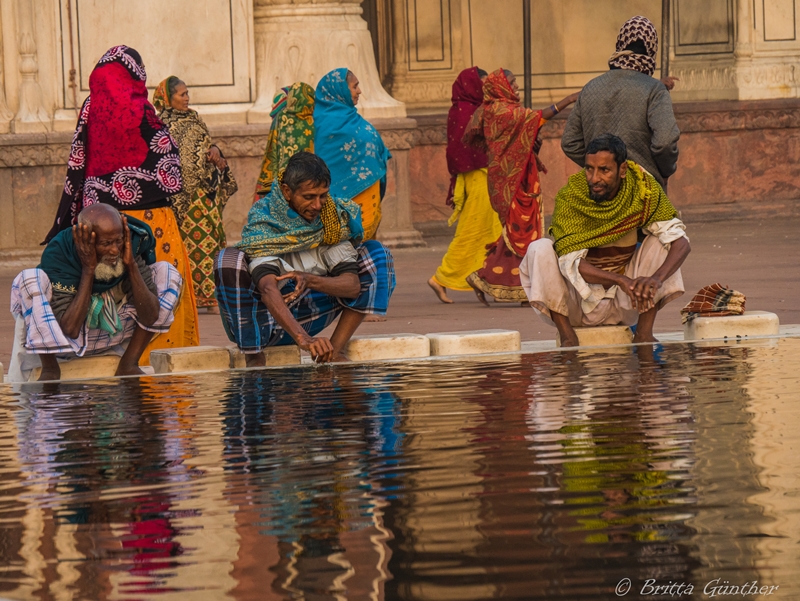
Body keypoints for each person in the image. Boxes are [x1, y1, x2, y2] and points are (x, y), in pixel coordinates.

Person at [45, 45, 199, 363]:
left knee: (107, 294)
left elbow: (78, 162)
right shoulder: (142, 110)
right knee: (157, 287)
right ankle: (165, 387)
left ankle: (112, 369)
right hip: (155, 226)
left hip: (102, 226)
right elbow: (172, 175)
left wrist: (72, 216)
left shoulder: (92, 107)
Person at [214, 152, 395, 365]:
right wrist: (303, 339)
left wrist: (308, 279)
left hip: (313, 313)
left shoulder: (331, 218)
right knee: (227, 259)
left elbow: (353, 286)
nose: (317, 205)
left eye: (323, 196)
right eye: (309, 197)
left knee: (377, 253)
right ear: (287, 192)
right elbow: (267, 288)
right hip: (265, 322)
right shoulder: (266, 219)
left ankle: (333, 351)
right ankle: (254, 356)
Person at [519, 134, 691, 346]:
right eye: (589, 169)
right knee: (540, 248)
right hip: (577, 303)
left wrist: (657, 278)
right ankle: (567, 337)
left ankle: (644, 334)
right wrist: (620, 280)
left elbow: (681, 243)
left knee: (660, 242)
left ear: (622, 170)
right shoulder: (571, 195)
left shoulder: (642, 189)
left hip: (626, 300)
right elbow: (569, 261)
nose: (594, 178)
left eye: (604, 170)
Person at [9, 204, 182, 382]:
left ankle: (128, 363)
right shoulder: (60, 253)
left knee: (166, 272)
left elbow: (151, 316)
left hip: (113, 336)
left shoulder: (130, 246)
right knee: (30, 278)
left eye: (118, 241)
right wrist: (88, 269)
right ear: (85, 241)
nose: (114, 250)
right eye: (106, 244)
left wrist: (131, 266)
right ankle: (50, 370)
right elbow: (70, 329)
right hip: (63, 345)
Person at [462, 68, 579, 305]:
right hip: (510, 182)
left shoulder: (502, 109)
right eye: (512, 83)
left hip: (519, 178)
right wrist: (567, 100)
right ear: (500, 85)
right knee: (524, 235)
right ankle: (524, 287)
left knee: (518, 235)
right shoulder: (500, 111)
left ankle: (492, 280)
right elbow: (537, 118)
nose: (516, 87)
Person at [561, 15, 680, 188]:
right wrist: (664, 171)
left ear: (621, 44)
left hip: (601, 193)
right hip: (643, 191)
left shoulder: (590, 88)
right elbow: (665, 142)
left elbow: (569, 142)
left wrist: (601, 170)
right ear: (652, 49)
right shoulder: (655, 90)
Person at [153, 76, 238, 314]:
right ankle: (189, 297)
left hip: (205, 195)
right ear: (167, 98)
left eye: (187, 93)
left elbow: (205, 145)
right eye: (182, 94)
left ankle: (211, 297)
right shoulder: (161, 124)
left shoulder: (195, 118)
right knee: (189, 248)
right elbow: (172, 160)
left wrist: (215, 151)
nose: (187, 98)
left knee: (211, 242)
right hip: (184, 199)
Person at [427, 67, 503, 304]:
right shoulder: (465, 111)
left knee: (490, 231)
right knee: (471, 230)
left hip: (482, 175)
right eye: (482, 83)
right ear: (471, 84)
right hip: (476, 177)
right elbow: (463, 150)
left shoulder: (472, 109)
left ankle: (486, 278)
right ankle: (442, 277)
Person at [313, 68, 391, 240]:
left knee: (366, 248)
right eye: (354, 87)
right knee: (344, 247)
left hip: (368, 193)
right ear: (340, 91)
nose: (359, 91)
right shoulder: (322, 125)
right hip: (334, 201)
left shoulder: (354, 119)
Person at [254, 82, 316, 201]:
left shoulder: (280, 120)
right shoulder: (315, 121)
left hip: (282, 189)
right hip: (313, 186)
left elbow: (271, 159)